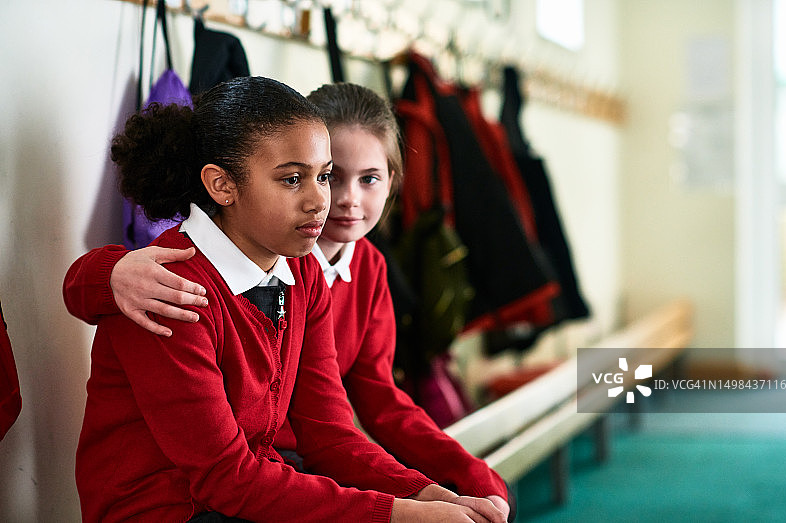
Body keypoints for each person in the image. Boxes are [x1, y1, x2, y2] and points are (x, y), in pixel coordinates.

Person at [67, 76, 506, 523]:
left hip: (248, 492)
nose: (321, 199)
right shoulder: (169, 289)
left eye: (323, 176)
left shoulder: (301, 272)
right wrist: (400, 513)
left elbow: (329, 435)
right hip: (168, 510)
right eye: (293, 180)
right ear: (222, 185)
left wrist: (431, 495)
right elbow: (227, 477)